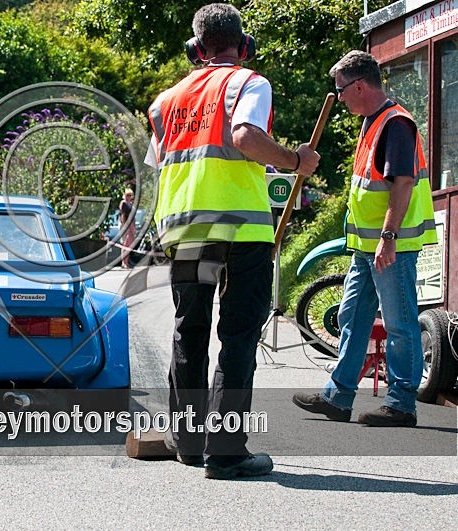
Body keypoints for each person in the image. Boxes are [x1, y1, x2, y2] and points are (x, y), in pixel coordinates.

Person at [145, 3, 320, 479]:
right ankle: (225, 451)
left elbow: (158, 162)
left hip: (184, 228)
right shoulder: (249, 82)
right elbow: (244, 136)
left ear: (195, 49)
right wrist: (292, 160)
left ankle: (187, 442)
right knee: (239, 334)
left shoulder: (164, 101)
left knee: (190, 329)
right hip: (241, 229)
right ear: (244, 46)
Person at [293, 50, 437, 427]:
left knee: (399, 323)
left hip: (391, 246)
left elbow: (402, 184)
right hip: (366, 247)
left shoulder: (395, 123)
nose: (338, 98)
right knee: (352, 318)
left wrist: (388, 237)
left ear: (359, 86)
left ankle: (402, 404)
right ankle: (338, 397)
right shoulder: (374, 122)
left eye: (340, 90)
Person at [119, 189, 136, 268]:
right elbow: (123, 215)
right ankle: (123, 263)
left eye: (130, 195)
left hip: (131, 224)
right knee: (125, 244)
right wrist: (126, 227)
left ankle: (127, 262)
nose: (128, 197)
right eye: (127, 195)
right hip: (126, 225)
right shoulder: (123, 203)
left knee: (129, 245)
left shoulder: (131, 204)